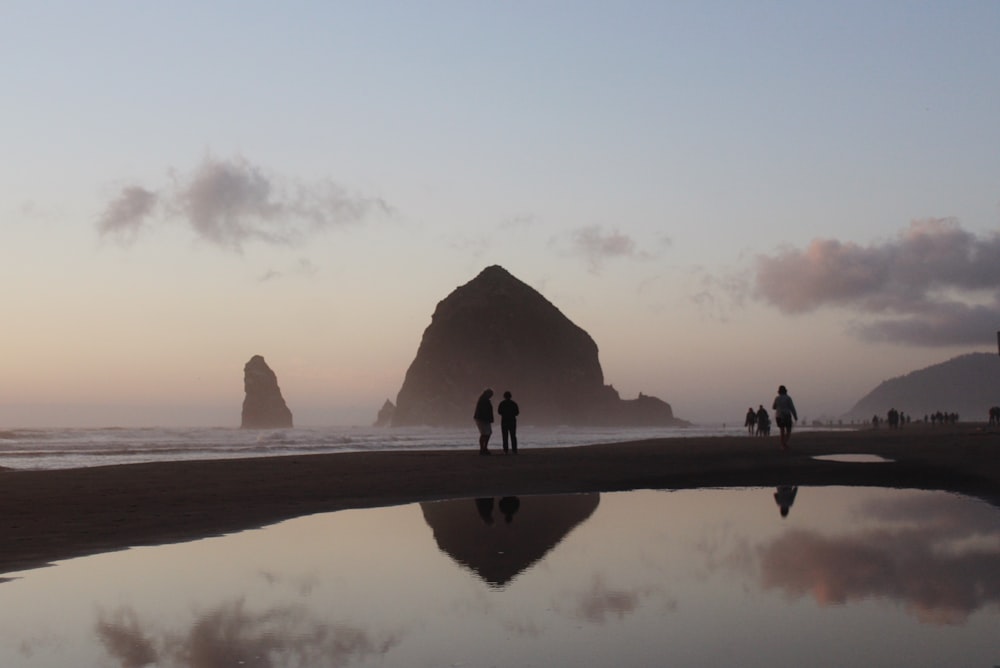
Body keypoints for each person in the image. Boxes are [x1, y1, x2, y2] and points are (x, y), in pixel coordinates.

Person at [772, 385, 798, 450]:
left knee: (782, 430)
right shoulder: (788, 398)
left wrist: (779, 407)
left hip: (779, 415)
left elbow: (773, 407)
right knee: (788, 430)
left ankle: (782, 444)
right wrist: (795, 416)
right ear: (785, 391)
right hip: (786, 415)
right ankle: (784, 443)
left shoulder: (777, 398)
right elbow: (792, 407)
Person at [473, 388, 495, 455]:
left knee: (487, 433)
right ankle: (483, 448)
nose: (491, 396)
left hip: (482, 419)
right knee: (485, 433)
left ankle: (484, 448)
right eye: (491, 394)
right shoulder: (484, 400)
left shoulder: (483, 400)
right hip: (482, 419)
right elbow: (484, 411)